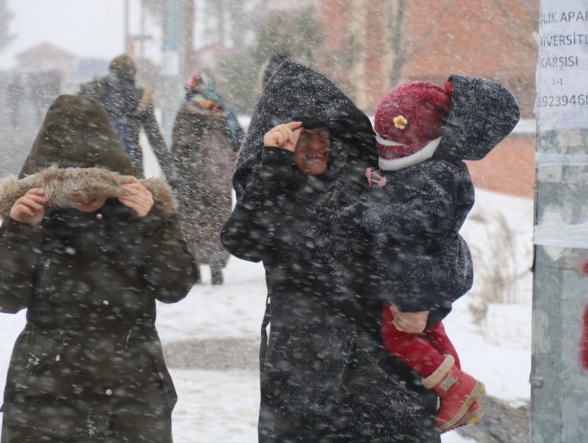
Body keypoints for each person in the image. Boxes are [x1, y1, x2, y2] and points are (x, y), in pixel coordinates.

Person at [221, 58, 439, 442]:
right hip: (303, 373)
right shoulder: (274, 192)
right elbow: (242, 242)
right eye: (303, 136)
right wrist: (273, 164)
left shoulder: (373, 185)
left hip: (382, 370)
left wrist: (428, 303)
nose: (318, 145)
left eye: (324, 133)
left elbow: (437, 248)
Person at [0, 94, 199, 442]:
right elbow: (5, 298)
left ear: (111, 174)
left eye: (94, 183)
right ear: (51, 181)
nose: (85, 196)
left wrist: (152, 225)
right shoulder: (32, 215)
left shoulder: (142, 211)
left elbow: (174, 286)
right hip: (47, 394)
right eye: (72, 184)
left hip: (133, 394)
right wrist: (22, 232)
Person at [362, 77, 520, 432]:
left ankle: (455, 387)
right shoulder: (424, 169)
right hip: (416, 269)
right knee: (431, 331)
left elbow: (423, 219)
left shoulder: (438, 174)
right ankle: (458, 387)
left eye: (393, 143)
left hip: (420, 270)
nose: (385, 150)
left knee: (397, 334)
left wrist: (375, 213)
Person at [171, 70, 244, 285]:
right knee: (217, 219)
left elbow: (177, 145)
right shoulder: (223, 110)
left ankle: (194, 259)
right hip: (219, 177)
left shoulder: (187, 110)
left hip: (190, 177)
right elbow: (239, 140)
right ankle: (214, 254)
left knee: (191, 220)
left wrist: (176, 170)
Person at [81, 54, 174, 180]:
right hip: (131, 167)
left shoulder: (94, 92)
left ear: (111, 70)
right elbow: (155, 138)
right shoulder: (142, 97)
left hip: (97, 166)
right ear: (133, 74)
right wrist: (171, 174)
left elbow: (78, 130)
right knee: (135, 197)